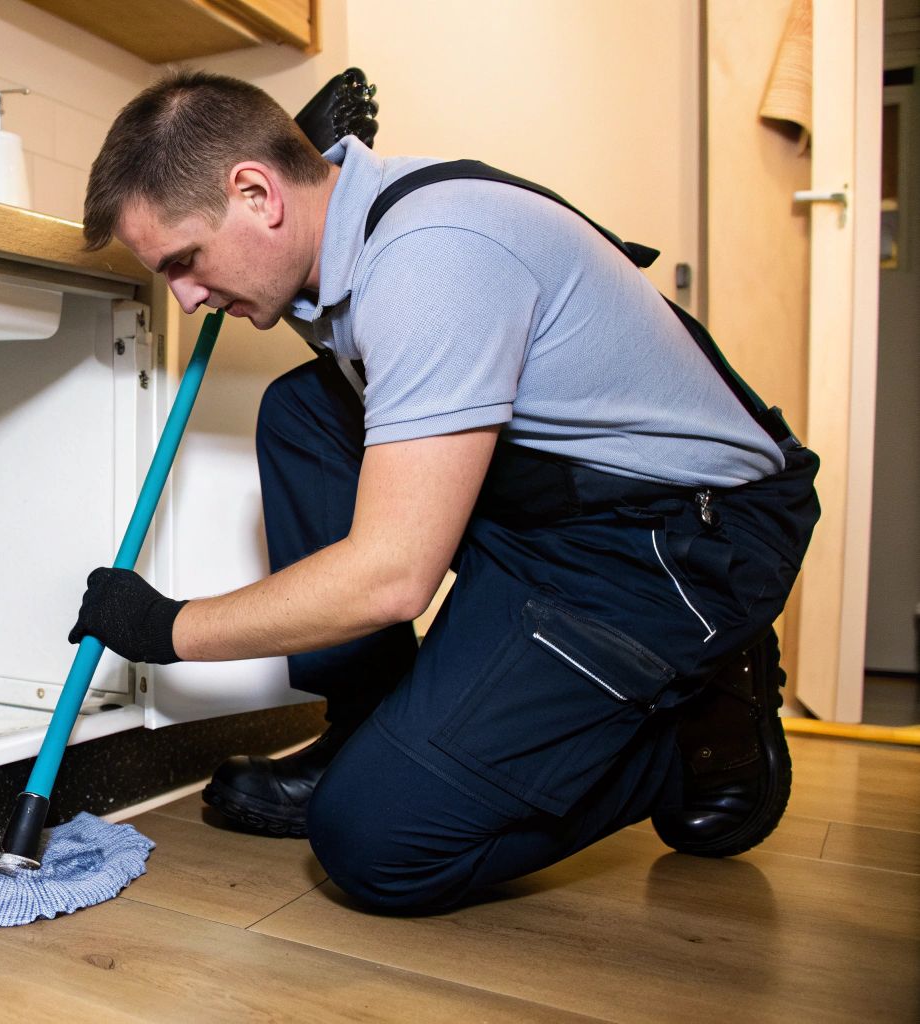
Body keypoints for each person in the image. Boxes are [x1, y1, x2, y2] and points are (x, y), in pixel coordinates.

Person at [67, 70, 819, 913]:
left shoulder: (434, 258)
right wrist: (300, 162)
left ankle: (685, 726)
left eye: (185, 261)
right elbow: (331, 284)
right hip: (554, 508)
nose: (186, 296)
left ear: (256, 193)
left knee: (377, 843)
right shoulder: (342, 218)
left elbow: (392, 578)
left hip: (673, 541)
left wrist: (167, 628)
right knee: (303, 413)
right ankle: (369, 723)